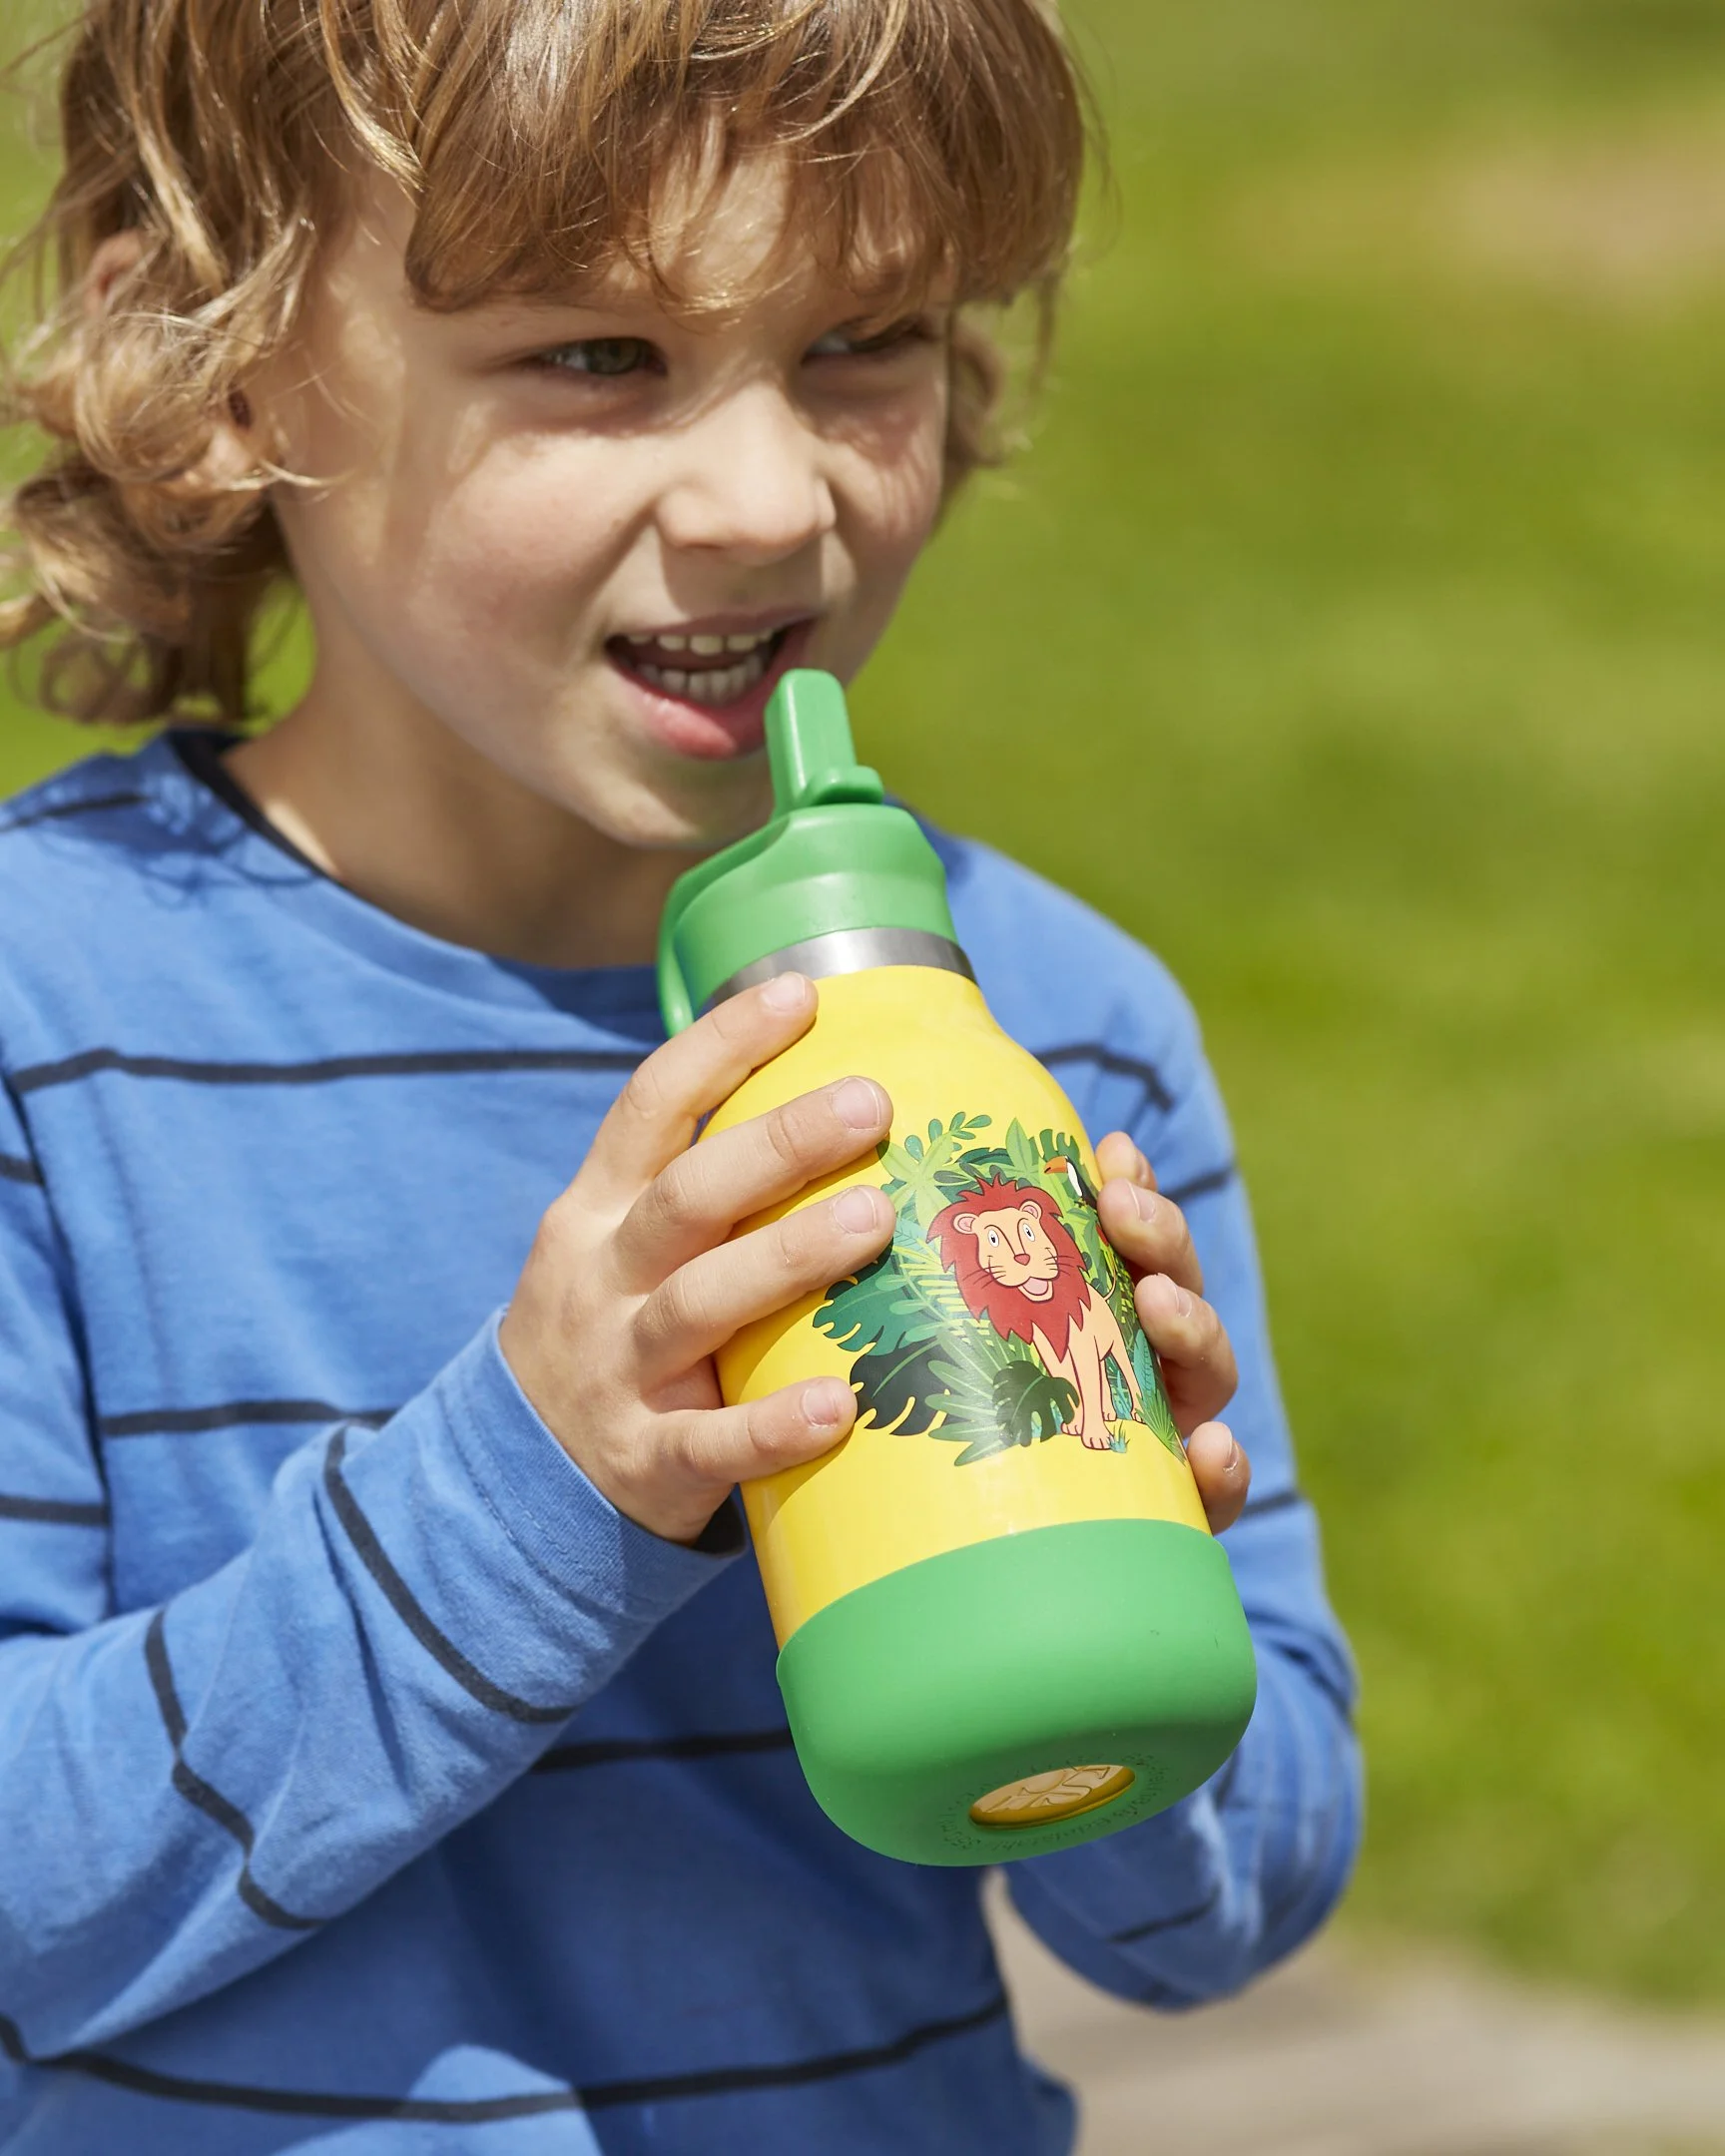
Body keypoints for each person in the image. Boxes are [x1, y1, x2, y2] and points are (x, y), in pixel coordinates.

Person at [0, 2, 1360, 2149]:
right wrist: (529, 1491)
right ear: (232, 364)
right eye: (599, 358)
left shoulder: (1047, 1032)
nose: (765, 500)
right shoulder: (47, 1019)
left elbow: (1232, 1914)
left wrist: (1120, 1610)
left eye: (867, 340)